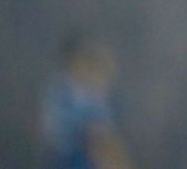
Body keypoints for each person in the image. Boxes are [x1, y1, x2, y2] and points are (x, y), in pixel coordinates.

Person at [41, 35, 135, 169]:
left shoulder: (98, 93)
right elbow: (58, 126)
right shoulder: (62, 90)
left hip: (92, 148)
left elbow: (104, 125)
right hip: (71, 151)